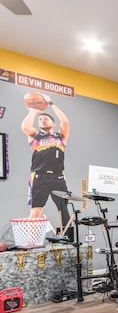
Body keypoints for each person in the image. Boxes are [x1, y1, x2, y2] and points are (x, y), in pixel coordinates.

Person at [21, 92, 71, 227]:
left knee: (63, 209)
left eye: (46, 118)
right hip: (39, 176)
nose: (42, 120)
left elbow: (65, 121)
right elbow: (25, 127)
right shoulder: (36, 136)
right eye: (40, 119)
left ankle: (67, 239)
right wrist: (33, 111)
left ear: (53, 123)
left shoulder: (60, 137)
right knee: (36, 210)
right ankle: (31, 241)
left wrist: (51, 103)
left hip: (58, 177)